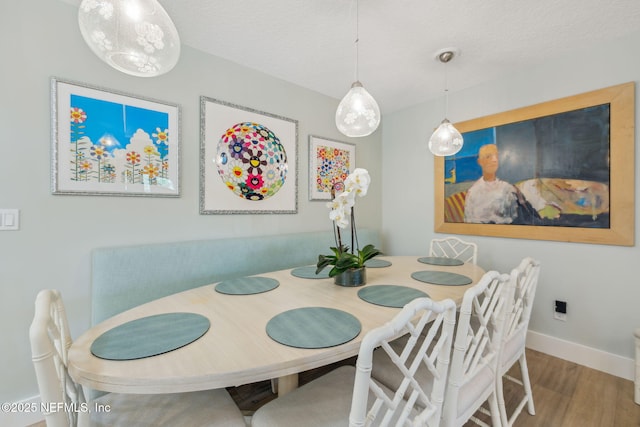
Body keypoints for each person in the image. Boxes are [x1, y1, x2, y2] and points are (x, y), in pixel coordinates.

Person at [464, 144, 561, 224]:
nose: (494, 160)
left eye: (496, 156)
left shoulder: (507, 187)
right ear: (480, 161)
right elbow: (469, 221)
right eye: (488, 156)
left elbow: (520, 215)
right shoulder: (473, 192)